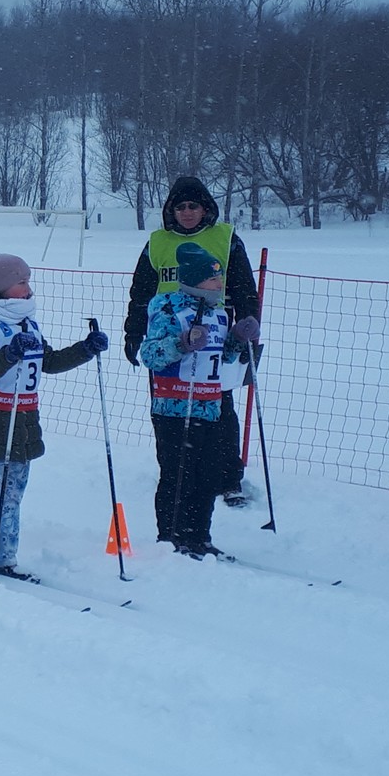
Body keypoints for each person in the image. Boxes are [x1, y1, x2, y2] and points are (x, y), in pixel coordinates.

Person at [0, 252, 108, 581]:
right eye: (21, 282)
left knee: (12, 494)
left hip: (23, 420)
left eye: (27, 281)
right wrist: (10, 352)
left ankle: (2, 559)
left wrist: (86, 348)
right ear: (2, 286)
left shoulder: (25, 320)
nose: (28, 287)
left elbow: (48, 361)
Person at [121, 176, 261, 532]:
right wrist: (133, 333)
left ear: (205, 208)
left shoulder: (223, 238)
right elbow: (140, 291)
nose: (186, 213)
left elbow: (244, 284)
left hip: (215, 333)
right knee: (173, 419)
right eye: (180, 207)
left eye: (193, 206)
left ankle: (226, 478)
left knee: (219, 408)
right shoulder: (158, 243)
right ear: (171, 210)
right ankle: (177, 491)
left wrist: (246, 326)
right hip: (168, 335)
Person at [137, 243, 243, 558]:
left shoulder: (219, 314)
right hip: (175, 409)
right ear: (195, 281)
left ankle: (201, 536)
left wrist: (238, 339)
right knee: (179, 473)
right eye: (212, 279)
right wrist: (180, 343)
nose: (219, 283)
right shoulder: (170, 308)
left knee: (208, 475)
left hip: (210, 407)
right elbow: (150, 354)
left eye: (220, 277)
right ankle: (172, 538)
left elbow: (222, 357)